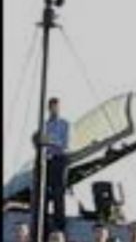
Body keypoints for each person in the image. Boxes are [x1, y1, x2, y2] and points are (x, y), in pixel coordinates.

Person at [42, 97, 71, 233]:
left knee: (58, 192)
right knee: (44, 192)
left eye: (56, 107)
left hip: (60, 159)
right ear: (49, 108)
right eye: (52, 107)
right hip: (47, 160)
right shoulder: (45, 125)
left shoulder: (65, 124)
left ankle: (59, 225)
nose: (54, 109)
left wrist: (51, 142)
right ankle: (44, 224)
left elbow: (65, 145)